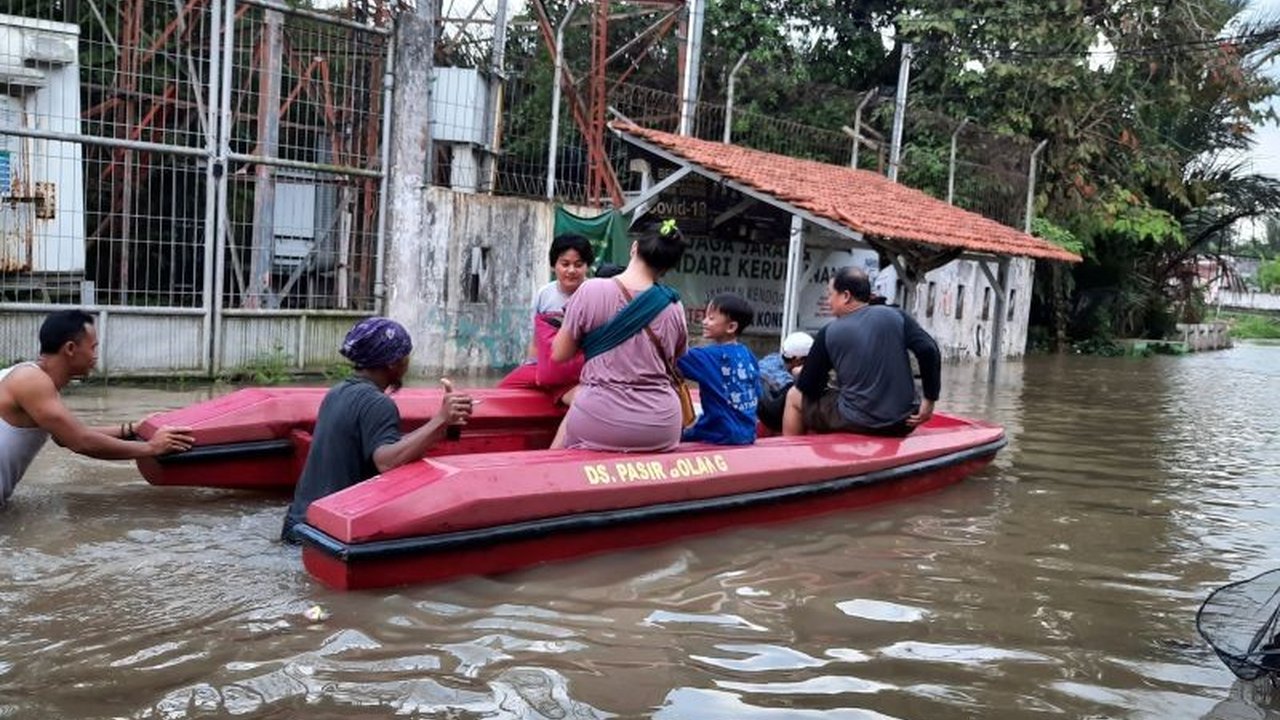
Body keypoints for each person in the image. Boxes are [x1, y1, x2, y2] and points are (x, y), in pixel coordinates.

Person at [281, 317, 473, 542]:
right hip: (326, 536)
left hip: (298, 525)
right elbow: (386, 462)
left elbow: (386, 446)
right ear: (393, 363)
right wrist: (440, 420)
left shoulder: (336, 393)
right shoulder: (378, 403)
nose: (408, 363)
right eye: (406, 356)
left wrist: (442, 428)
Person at [0, 309, 194, 508]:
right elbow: (81, 442)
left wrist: (133, 428)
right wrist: (152, 447)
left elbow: (65, 436)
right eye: (93, 348)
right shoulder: (31, 381)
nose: (95, 356)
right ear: (70, 349)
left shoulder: (28, 377)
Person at [549, 221, 688, 452]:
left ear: (634, 248)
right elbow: (678, 359)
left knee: (557, 454)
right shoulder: (674, 305)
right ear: (668, 267)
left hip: (600, 419)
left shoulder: (591, 290)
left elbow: (560, 353)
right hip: (661, 425)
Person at [783, 267, 941, 437]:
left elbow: (809, 388)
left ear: (845, 296)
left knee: (793, 396)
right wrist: (930, 400)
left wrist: (799, 373)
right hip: (904, 421)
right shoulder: (897, 316)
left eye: (830, 294)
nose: (828, 301)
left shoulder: (828, 333)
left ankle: (790, 454)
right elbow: (929, 350)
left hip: (858, 422)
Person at [498, 234, 595, 402]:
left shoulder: (596, 293)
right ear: (553, 266)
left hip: (581, 371)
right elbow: (537, 339)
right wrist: (532, 365)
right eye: (565, 264)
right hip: (545, 368)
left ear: (587, 267)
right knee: (503, 390)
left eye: (578, 265)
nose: (571, 270)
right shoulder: (545, 294)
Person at [677, 293, 759, 445]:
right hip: (748, 432)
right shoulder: (748, 354)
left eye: (711, 318)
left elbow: (670, 356)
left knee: (676, 436)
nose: (704, 322)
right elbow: (757, 391)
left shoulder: (708, 357)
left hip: (718, 432)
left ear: (731, 327)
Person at [756, 331, 813, 433]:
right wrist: (802, 375)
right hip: (770, 422)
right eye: (809, 359)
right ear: (797, 360)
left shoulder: (772, 358)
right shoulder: (783, 382)